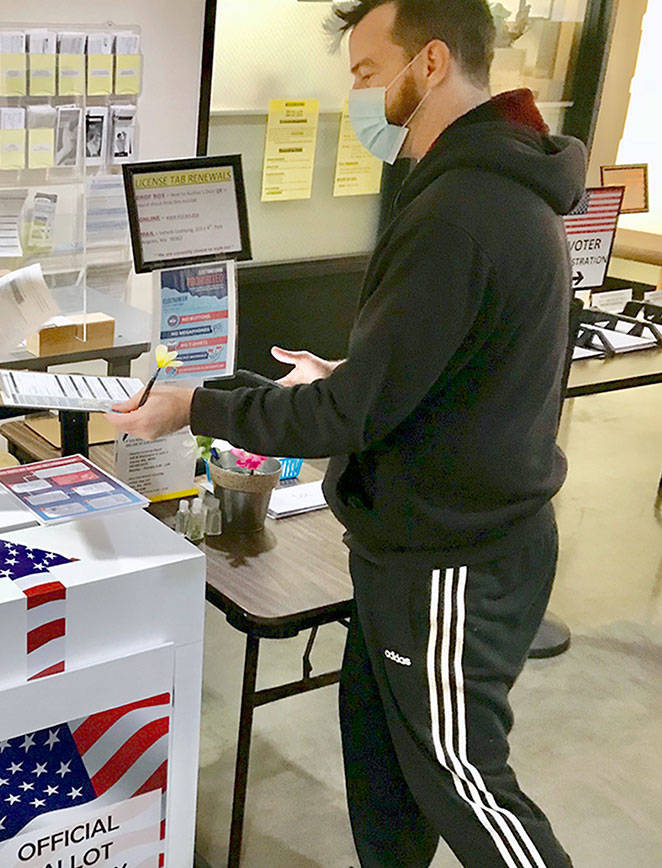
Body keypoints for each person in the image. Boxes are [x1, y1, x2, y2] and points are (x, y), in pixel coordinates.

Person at [108, 1, 581, 865]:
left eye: (367, 73)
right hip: (416, 543)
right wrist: (350, 377)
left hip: (451, 560)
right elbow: (441, 376)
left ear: (430, 63)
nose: (357, 96)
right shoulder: (485, 188)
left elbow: (342, 418)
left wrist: (193, 402)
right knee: (385, 771)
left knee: (467, 788)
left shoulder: (461, 210)